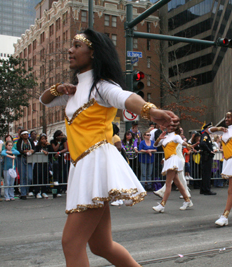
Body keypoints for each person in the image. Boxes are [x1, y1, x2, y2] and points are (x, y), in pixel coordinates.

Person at [39, 29, 178, 266]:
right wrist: (58, 88)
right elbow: (44, 100)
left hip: (95, 164)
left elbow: (125, 96)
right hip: (83, 165)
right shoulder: (74, 90)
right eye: (71, 46)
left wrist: (151, 111)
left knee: (71, 243)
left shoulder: (101, 86)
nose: (70, 50)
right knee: (101, 246)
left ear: (93, 52)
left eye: (77, 45)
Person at [152, 126, 193, 213]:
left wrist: (189, 145)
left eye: (171, 127)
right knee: (177, 182)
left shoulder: (176, 136)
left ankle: (162, 205)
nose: (169, 128)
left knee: (168, 183)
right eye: (168, 126)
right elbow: (155, 145)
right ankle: (187, 200)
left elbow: (182, 142)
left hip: (173, 160)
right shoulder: (165, 137)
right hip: (168, 160)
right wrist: (159, 138)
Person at [16, 130, 35, 199]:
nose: (26, 136)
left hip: (29, 159)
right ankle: (23, 193)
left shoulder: (30, 141)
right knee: (22, 176)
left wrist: (32, 151)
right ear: (21, 136)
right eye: (24, 134)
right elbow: (19, 150)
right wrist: (26, 151)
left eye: (27, 134)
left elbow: (34, 148)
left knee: (29, 177)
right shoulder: (19, 141)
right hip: (21, 159)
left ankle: (26, 190)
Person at [199, 122, 216, 195]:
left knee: (206, 173)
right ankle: (206, 189)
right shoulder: (205, 136)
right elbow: (203, 144)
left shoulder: (207, 136)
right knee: (207, 174)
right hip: (206, 156)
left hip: (207, 156)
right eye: (210, 128)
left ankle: (203, 189)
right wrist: (210, 151)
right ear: (206, 129)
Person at [33, 134, 52, 199]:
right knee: (38, 177)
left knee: (45, 177)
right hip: (39, 163)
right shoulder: (38, 146)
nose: (44, 140)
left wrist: (49, 146)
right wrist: (42, 151)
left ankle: (44, 191)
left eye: (45, 139)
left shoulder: (48, 146)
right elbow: (35, 151)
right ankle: (37, 192)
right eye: (42, 139)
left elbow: (51, 152)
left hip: (45, 163)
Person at [50, 130, 68, 196]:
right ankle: (56, 190)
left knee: (61, 173)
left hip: (61, 158)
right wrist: (58, 143)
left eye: (62, 135)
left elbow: (66, 149)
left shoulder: (64, 140)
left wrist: (59, 152)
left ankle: (60, 190)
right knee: (55, 174)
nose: (61, 136)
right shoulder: (52, 141)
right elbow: (55, 149)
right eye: (60, 135)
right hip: (55, 159)